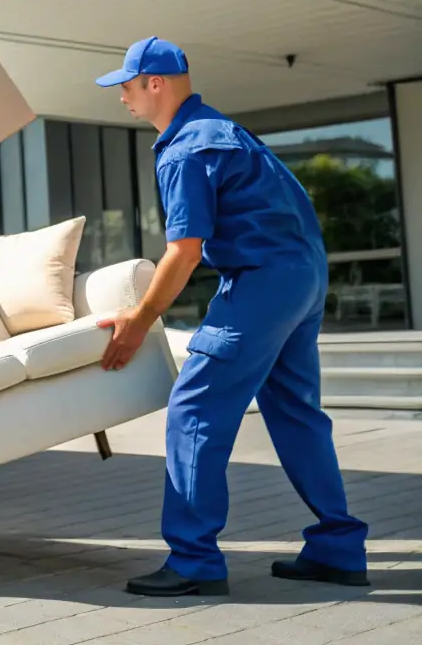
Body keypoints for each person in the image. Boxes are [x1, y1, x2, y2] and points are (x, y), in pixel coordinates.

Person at [93, 36, 369, 597]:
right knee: (295, 412)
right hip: (302, 274)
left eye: (126, 86)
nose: (121, 97)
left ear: (155, 84)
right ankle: (338, 548)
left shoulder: (185, 149)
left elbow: (184, 249)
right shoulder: (224, 130)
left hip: (262, 283)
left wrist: (142, 319)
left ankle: (193, 561)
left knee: (193, 409)